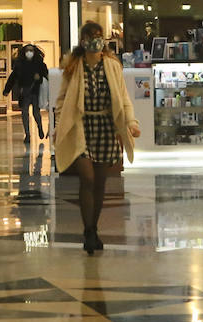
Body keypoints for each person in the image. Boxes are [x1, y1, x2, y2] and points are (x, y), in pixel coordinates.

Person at [53, 22, 141, 254]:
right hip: (82, 127)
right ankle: (88, 229)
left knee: (101, 182)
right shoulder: (73, 67)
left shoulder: (112, 66)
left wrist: (131, 123)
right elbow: (61, 101)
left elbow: (123, 98)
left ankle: (93, 229)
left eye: (99, 37)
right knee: (88, 178)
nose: (95, 41)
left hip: (105, 127)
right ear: (82, 41)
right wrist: (59, 125)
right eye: (91, 37)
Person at [4, 42, 49, 143]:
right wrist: (7, 89)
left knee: (36, 112)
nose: (29, 52)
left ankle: (40, 127)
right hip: (24, 91)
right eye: (27, 51)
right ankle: (27, 134)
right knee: (24, 112)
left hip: (35, 91)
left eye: (31, 50)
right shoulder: (20, 64)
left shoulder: (39, 63)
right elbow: (13, 77)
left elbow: (46, 75)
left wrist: (41, 79)